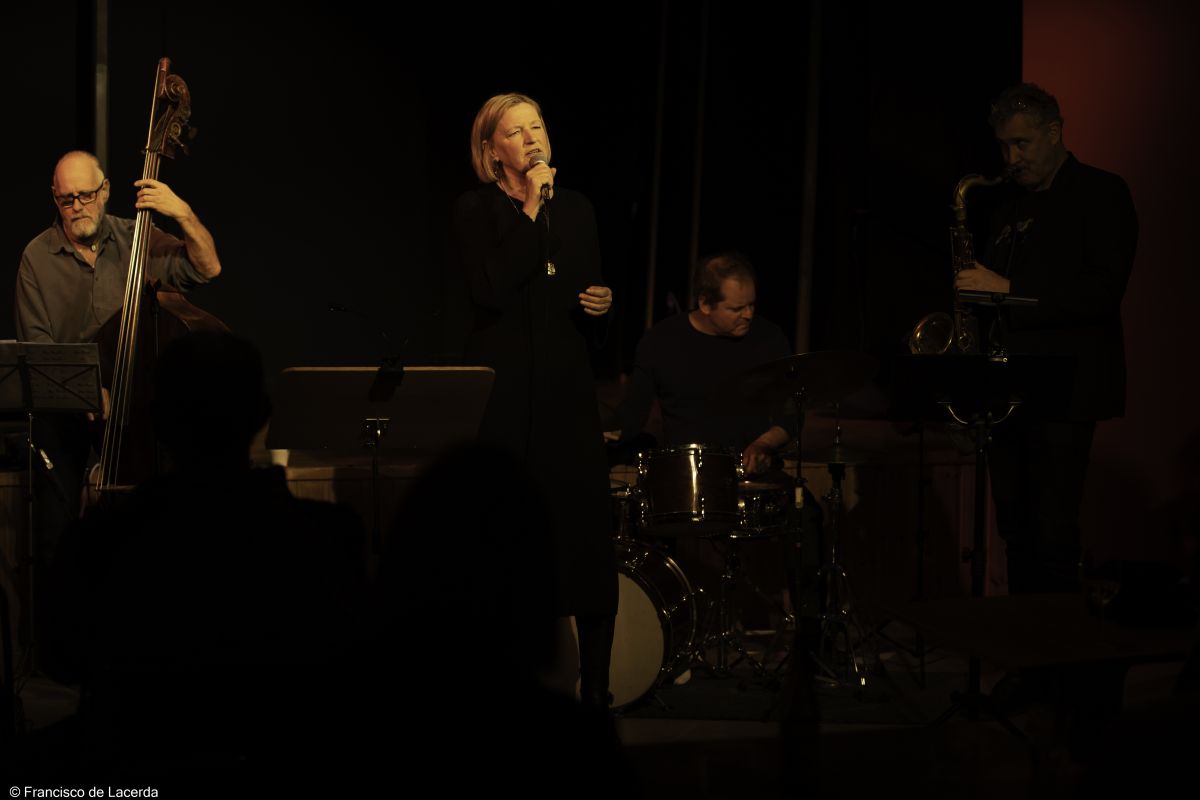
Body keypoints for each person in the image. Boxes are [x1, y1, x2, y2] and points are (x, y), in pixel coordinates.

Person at [38, 332, 367, 787]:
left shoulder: (100, 537)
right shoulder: (329, 536)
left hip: (133, 765)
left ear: (156, 420)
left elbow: (61, 660)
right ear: (263, 415)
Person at [13, 151, 222, 667]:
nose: (78, 206)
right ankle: (60, 651)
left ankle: (156, 639)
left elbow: (208, 268)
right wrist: (86, 391)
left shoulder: (138, 238)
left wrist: (182, 212)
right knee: (57, 525)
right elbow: (38, 347)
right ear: (55, 199)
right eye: (67, 199)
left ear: (105, 191)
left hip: (136, 413)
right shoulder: (36, 258)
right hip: (69, 412)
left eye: (87, 195)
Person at [450, 93, 617, 708]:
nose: (531, 138)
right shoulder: (476, 209)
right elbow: (492, 289)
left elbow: (584, 295)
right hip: (505, 394)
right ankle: (501, 689)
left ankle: (595, 692)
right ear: (491, 150)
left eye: (537, 126)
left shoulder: (577, 209)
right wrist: (528, 208)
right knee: (505, 541)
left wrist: (601, 307)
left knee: (586, 541)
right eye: (515, 131)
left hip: (566, 393)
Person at [956, 83, 1137, 594]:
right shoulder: (1009, 206)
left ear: (1054, 133)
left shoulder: (1102, 192)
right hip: (1010, 389)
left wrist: (1005, 289)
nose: (1011, 159)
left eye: (1022, 144)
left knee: (1053, 533)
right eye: (1004, 147)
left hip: (1067, 387)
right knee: (1015, 531)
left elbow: (1100, 294)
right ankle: (1024, 638)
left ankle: (1055, 642)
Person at [611, 252, 792, 471]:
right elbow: (632, 414)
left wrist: (763, 445)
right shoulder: (661, 341)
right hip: (687, 475)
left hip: (754, 474)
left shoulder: (769, 338)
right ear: (705, 303)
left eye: (752, 305)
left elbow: (791, 414)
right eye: (737, 308)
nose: (748, 314)